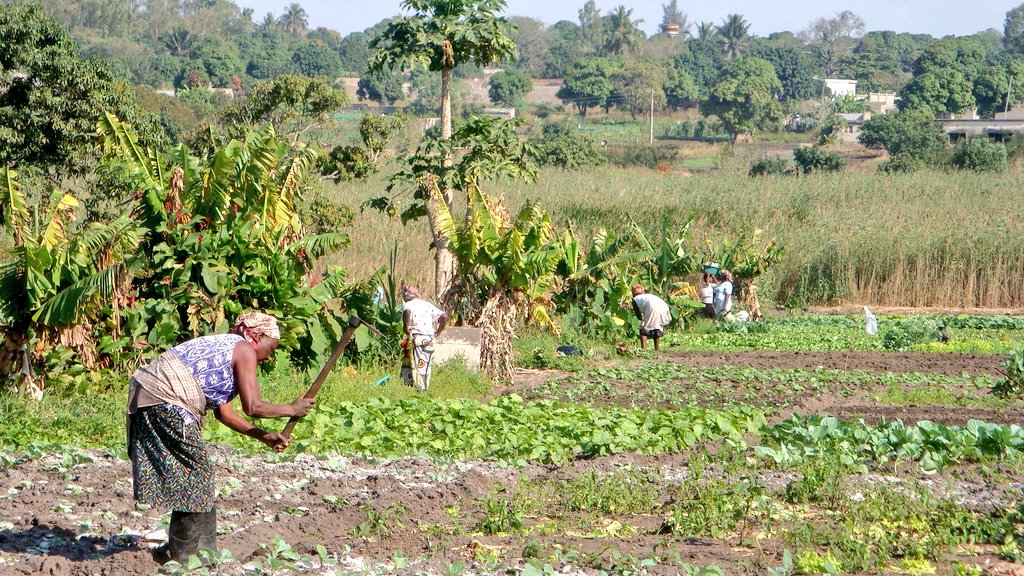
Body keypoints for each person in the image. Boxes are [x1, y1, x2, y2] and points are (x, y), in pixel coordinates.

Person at [126, 312, 313, 565]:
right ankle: (186, 555)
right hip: (165, 397)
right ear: (256, 336)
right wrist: (292, 409)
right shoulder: (243, 349)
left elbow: (225, 413)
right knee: (196, 473)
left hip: (148, 394)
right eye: (271, 348)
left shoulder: (226, 348)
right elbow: (253, 406)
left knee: (195, 474)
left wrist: (264, 436)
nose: (269, 356)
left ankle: (202, 552)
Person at [401, 286, 448, 391]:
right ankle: (409, 388)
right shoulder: (427, 305)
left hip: (417, 338)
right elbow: (444, 316)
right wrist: (438, 332)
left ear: (407, 295)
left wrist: (406, 327)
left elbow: (407, 312)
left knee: (419, 366)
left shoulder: (409, 304)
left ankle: (421, 390)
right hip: (428, 339)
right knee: (421, 364)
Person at [631, 284, 672, 351]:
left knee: (643, 330)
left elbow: (638, 315)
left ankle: (644, 350)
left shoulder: (635, 300)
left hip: (652, 307)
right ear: (643, 291)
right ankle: (657, 349)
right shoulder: (647, 296)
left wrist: (642, 320)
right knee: (657, 328)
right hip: (664, 306)